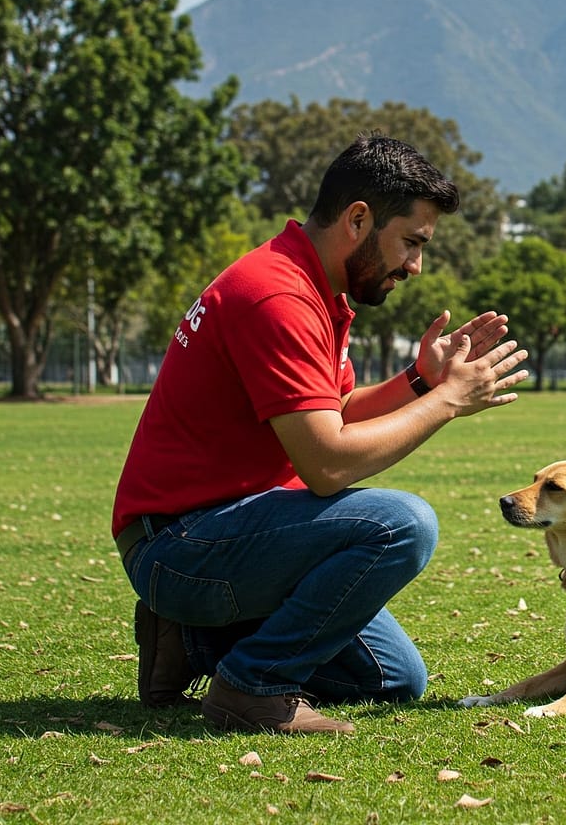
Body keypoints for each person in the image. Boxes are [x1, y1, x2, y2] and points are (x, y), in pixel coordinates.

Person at [112, 133, 529, 734]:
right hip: (178, 545)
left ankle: (190, 641)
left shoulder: (310, 287)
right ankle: (250, 688)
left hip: (230, 528)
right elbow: (327, 463)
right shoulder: (277, 295)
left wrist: (418, 381)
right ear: (359, 219)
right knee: (402, 525)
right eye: (411, 243)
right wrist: (447, 402)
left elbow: (328, 413)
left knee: (393, 679)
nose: (414, 267)